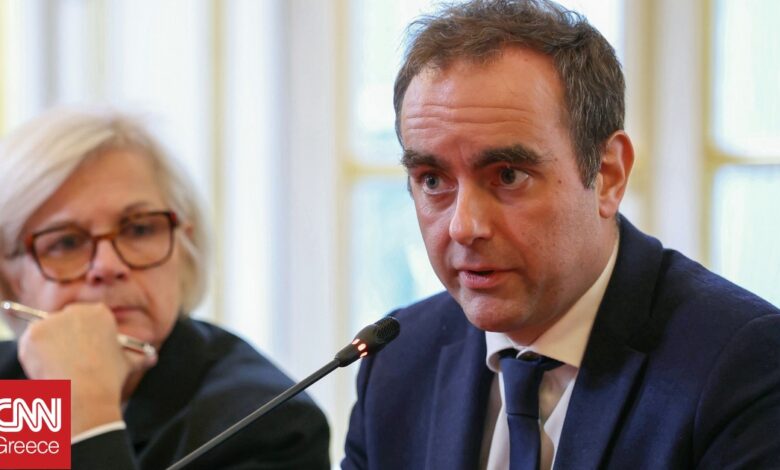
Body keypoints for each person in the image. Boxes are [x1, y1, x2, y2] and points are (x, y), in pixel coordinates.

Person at [342, 0, 780, 468]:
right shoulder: (397, 363)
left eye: (508, 175)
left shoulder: (743, 366)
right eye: (433, 180)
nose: (464, 226)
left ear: (608, 175)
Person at [0, 107, 330, 469]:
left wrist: (87, 409)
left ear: (184, 249)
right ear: (11, 279)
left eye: (139, 229)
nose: (108, 265)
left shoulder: (267, 424)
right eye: (66, 242)